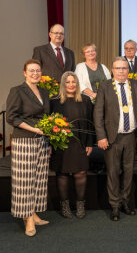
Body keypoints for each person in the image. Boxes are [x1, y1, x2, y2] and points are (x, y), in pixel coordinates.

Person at [94, 56, 137, 221]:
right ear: (112, 70)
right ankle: (114, 206)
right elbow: (98, 114)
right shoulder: (105, 86)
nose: (121, 71)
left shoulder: (136, 85)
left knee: (129, 172)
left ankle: (126, 202)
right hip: (112, 138)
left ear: (128, 70)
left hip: (131, 136)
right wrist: (101, 136)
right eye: (118, 68)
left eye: (124, 68)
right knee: (113, 172)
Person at [6, 59, 50, 237]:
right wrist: (33, 129)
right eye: (31, 71)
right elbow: (12, 117)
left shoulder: (44, 92)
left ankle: (33, 212)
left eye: (38, 70)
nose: (35, 73)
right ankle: (28, 219)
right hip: (24, 140)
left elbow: (47, 116)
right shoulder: (17, 91)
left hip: (42, 141)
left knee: (39, 179)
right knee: (24, 181)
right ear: (24, 73)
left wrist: (47, 135)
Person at [50, 72, 94, 219]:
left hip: (80, 142)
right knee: (62, 173)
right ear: (63, 84)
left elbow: (90, 123)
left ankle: (80, 204)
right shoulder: (54, 101)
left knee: (81, 173)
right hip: (60, 143)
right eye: (67, 82)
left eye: (73, 82)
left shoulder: (86, 100)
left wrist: (89, 143)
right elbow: (49, 125)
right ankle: (65, 206)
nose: (71, 85)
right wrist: (50, 144)